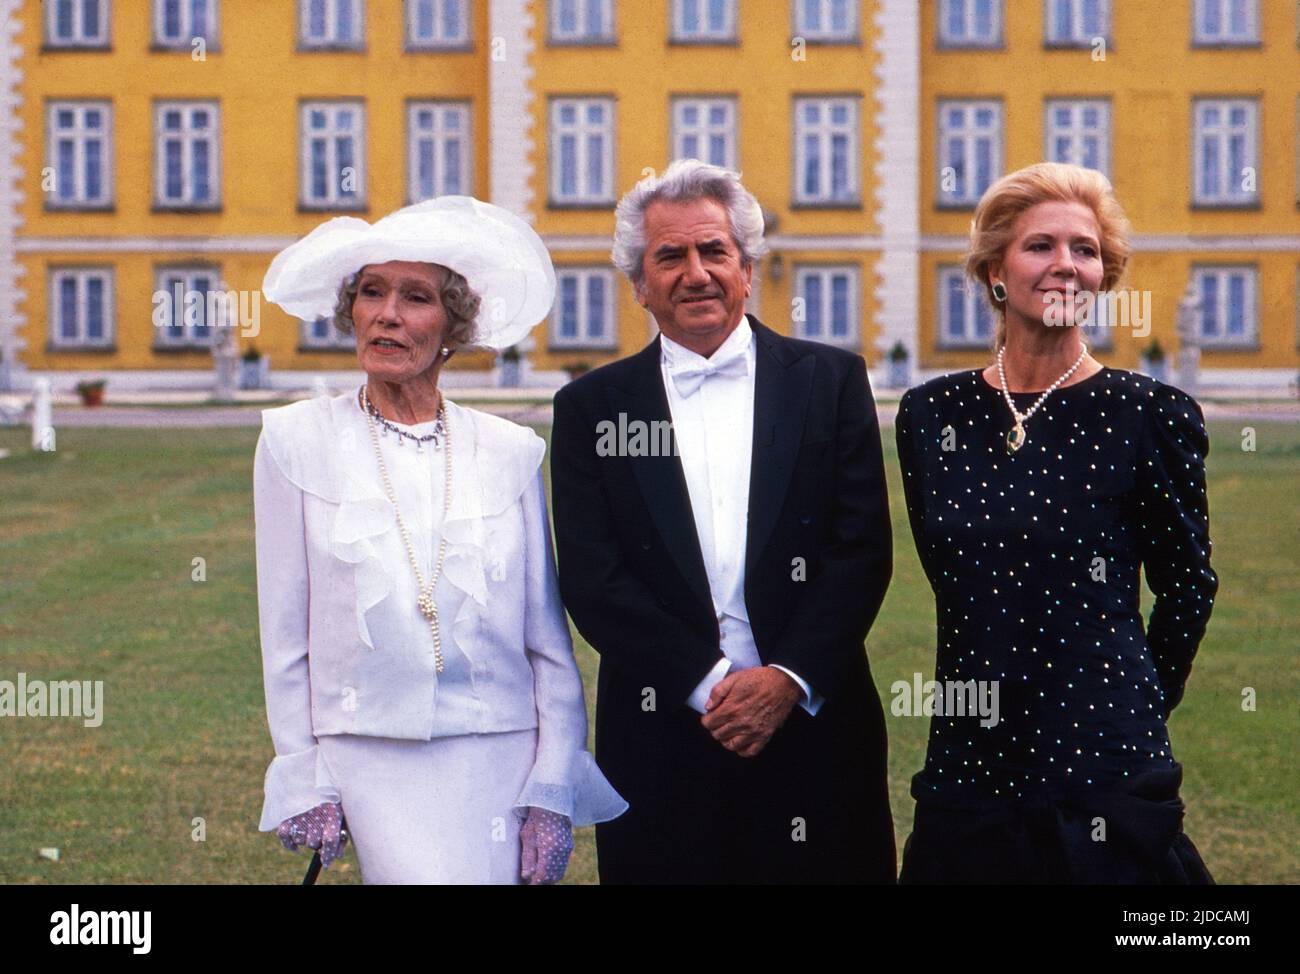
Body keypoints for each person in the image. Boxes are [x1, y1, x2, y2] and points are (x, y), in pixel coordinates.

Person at [254, 196, 626, 884]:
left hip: (499, 753)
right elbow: (285, 639)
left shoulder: (510, 451)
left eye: (415, 297)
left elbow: (546, 643)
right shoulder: (294, 443)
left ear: (454, 326)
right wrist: (303, 776)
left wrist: (549, 789)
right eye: (371, 293)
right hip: (366, 752)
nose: (387, 314)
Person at [550, 159, 896, 883]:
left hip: (813, 725)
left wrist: (785, 681)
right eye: (669, 256)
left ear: (747, 268)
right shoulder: (591, 408)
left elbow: (859, 550)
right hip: (661, 731)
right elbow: (594, 578)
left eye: (714, 251)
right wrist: (711, 686)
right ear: (639, 284)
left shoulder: (830, 382)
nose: (696, 272)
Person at [895, 162, 1217, 883]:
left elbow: (1188, 588)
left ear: (1104, 276)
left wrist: (1127, 707)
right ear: (995, 271)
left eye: (1086, 249)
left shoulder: (1149, 414)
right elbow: (954, 580)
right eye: (1041, 245)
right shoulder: (929, 416)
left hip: (1103, 774)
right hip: (967, 769)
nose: (1066, 265)